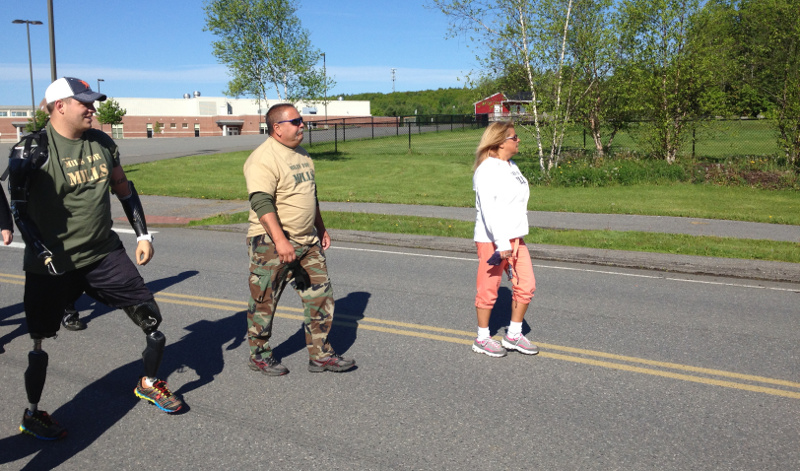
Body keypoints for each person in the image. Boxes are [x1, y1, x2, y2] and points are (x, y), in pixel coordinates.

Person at [8, 77, 182, 440]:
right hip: (52, 263)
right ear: (60, 107)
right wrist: (40, 251)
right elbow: (19, 210)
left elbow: (124, 189)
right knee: (39, 340)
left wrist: (143, 234)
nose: (92, 108)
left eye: (93, 102)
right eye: (84, 103)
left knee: (152, 319)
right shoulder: (31, 151)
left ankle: (149, 382)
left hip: (102, 253)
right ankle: (33, 413)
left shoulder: (102, 143)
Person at [243, 103, 355, 376]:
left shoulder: (302, 155)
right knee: (264, 302)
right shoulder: (263, 158)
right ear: (277, 128)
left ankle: (320, 355)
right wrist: (281, 241)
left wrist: (321, 227)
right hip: (271, 244)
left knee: (321, 298)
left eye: (302, 120)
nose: (302, 124)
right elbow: (261, 202)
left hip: (308, 242)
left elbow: (310, 195)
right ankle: (259, 354)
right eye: (295, 121)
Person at [471, 121, 539, 357]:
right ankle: (482, 338)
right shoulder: (487, 170)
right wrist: (502, 245)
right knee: (489, 289)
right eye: (514, 137)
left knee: (526, 285)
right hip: (493, 240)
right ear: (500, 142)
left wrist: (514, 239)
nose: (518, 140)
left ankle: (513, 335)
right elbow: (490, 212)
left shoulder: (512, 166)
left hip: (515, 238)